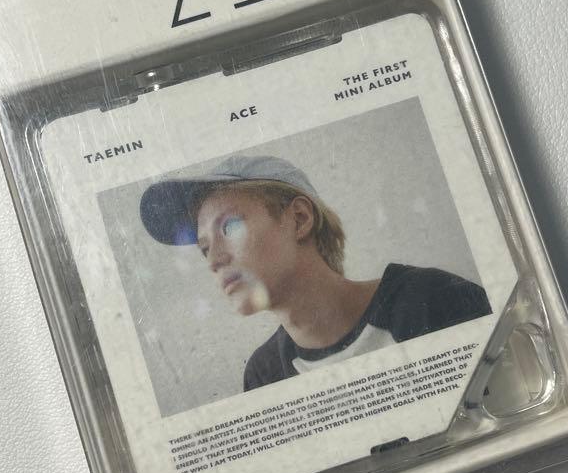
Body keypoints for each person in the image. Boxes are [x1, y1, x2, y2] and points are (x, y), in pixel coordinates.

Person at [139, 154, 491, 391]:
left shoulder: (433, 299)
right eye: (203, 248)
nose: (214, 259)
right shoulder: (264, 375)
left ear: (300, 219)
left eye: (229, 227)